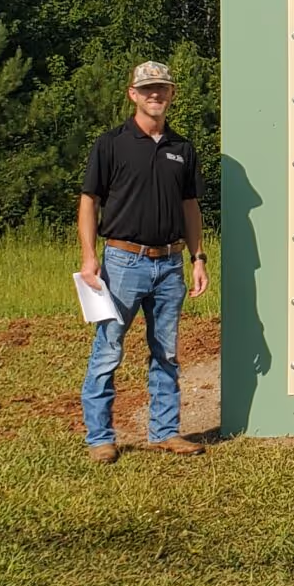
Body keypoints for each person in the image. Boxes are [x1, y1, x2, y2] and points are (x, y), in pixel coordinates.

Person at [77, 61, 208, 464]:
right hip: (121, 263)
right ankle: (101, 438)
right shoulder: (111, 144)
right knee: (108, 351)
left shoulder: (182, 149)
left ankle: (164, 432)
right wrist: (88, 257)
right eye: (148, 89)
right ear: (132, 93)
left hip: (169, 265)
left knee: (166, 352)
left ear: (172, 94)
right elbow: (89, 201)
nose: (156, 95)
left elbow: (191, 207)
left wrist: (198, 257)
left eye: (163, 89)